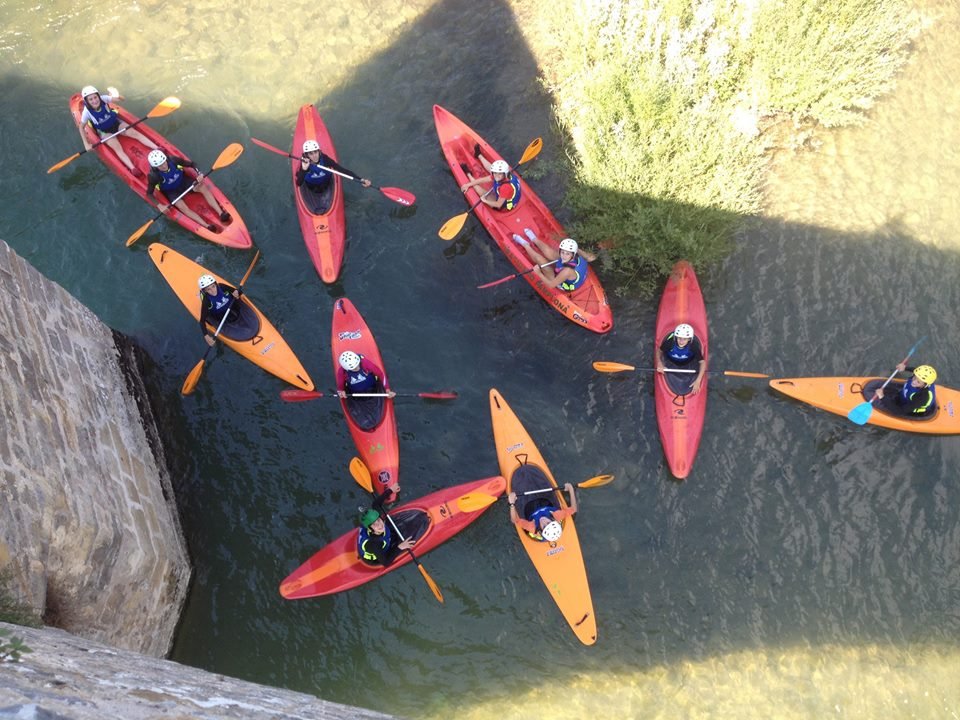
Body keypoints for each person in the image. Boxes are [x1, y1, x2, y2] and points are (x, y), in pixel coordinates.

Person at [77, 85, 157, 177]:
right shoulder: (86, 112)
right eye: (90, 99)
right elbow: (81, 127)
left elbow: (122, 99)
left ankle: (156, 148)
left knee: (134, 133)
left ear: (98, 96)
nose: (94, 101)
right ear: (87, 101)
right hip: (104, 132)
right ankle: (133, 168)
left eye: (95, 97)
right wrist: (86, 144)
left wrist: (117, 95)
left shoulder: (104, 99)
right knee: (117, 147)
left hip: (116, 123)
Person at [146, 149, 231, 232]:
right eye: (160, 165)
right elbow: (149, 194)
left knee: (202, 187)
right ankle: (207, 226)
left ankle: (221, 213)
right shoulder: (153, 176)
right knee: (182, 207)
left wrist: (199, 174)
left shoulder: (173, 160)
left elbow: (192, 164)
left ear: (165, 159)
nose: (164, 166)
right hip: (171, 192)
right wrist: (159, 205)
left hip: (184, 182)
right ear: (155, 167)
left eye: (164, 162)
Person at [511, 229, 596, 291]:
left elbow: (550, 285)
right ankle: (534, 239)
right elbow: (591, 257)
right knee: (551, 254)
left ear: (573, 254)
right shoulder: (576, 251)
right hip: (572, 270)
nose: (564, 256)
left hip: (564, 284)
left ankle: (525, 245)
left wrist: (538, 273)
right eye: (563, 252)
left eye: (567, 253)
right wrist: (585, 255)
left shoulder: (566, 271)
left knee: (541, 261)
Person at [356, 487, 415, 567]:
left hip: (380, 539)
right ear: (370, 529)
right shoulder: (375, 544)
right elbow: (386, 563)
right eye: (374, 524)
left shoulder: (371, 520)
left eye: (379, 520)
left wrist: (390, 490)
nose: (379, 525)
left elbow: (376, 504)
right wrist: (400, 547)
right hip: (376, 557)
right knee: (399, 541)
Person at [508, 482, 578, 542]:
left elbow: (514, 520)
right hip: (544, 501)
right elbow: (573, 509)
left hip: (529, 506)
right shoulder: (557, 515)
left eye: (544, 526)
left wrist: (512, 503)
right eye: (548, 522)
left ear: (540, 530)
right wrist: (570, 489)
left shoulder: (532, 527)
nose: (544, 521)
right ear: (553, 520)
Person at [296, 139, 370, 196]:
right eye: (311, 153)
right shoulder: (304, 164)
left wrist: (361, 179)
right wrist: (304, 169)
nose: (314, 155)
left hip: (326, 183)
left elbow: (341, 170)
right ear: (306, 155)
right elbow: (299, 183)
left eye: (315, 152)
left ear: (319, 151)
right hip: (311, 186)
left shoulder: (325, 159)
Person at [657, 322, 706, 395]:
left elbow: (702, 362)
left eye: (685, 339)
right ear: (676, 337)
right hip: (670, 361)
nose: (681, 341)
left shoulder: (693, 346)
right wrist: (659, 362)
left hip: (688, 363)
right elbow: (659, 351)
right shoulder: (670, 343)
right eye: (679, 338)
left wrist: (698, 381)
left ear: (689, 339)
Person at [873, 363, 937, 416]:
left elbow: (899, 411)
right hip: (906, 398)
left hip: (912, 409)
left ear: (925, 385)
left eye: (918, 382)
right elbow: (916, 371)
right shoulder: (924, 378)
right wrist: (905, 368)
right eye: (914, 377)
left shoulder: (922, 398)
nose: (913, 382)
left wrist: (882, 397)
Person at [197, 274, 240, 346]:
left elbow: (237, 291)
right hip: (218, 315)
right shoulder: (206, 301)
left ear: (216, 284)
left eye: (213, 286)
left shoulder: (222, 287)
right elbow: (202, 321)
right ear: (205, 291)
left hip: (230, 308)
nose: (213, 291)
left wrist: (237, 293)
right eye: (208, 289)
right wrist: (206, 336)